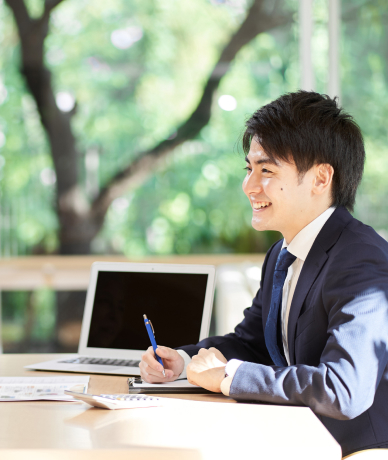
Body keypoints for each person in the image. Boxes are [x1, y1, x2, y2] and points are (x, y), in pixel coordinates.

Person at [139, 91, 388, 456]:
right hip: (298, 434)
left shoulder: (360, 260)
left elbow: (344, 389)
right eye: (249, 168)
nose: (249, 185)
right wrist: (184, 361)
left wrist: (229, 376)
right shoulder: (282, 254)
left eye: (266, 170)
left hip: (355, 448)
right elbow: (253, 343)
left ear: (321, 179)